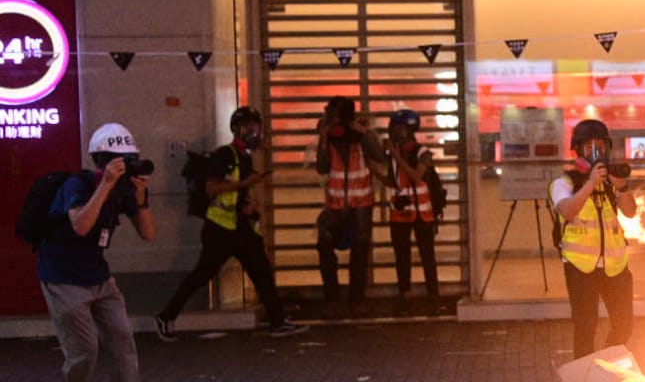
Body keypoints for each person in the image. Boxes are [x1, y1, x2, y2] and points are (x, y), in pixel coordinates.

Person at [36, 123, 172, 382]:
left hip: (99, 277)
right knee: (85, 351)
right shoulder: (77, 184)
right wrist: (105, 185)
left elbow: (149, 234)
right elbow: (82, 225)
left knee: (123, 341)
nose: (126, 166)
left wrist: (139, 197)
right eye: (119, 160)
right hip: (63, 277)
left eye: (131, 159)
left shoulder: (123, 191)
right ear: (102, 160)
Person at [155, 107, 306, 340]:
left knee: (261, 272)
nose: (256, 132)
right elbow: (212, 187)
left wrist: (249, 204)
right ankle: (166, 316)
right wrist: (245, 184)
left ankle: (277, 321)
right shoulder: (225, 155)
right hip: (221, 229)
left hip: (239, 227)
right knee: (202, 274)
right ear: (238, 129)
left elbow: (238, 193)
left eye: (257, 127)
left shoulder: (244, 157)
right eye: (252, 127)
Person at [551, 119, 636, 358]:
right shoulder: (564, 182)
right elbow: (567, 209)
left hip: (615, 266)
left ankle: (606, 371)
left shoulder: (610, 182)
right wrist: (590, 183)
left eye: (600, 146)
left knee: (624, 325)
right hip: (581, 268)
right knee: (585, 327)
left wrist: (621, 187)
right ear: (578, 150)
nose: (596, 152)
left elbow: (630, 211)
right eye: (589, 147)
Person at [309, 95, 388, 313]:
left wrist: (363, 132)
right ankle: (332, 296)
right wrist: (324, 138)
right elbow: (322, 167)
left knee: (360, 251)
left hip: (361, 203)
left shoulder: (361, 137)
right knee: (324, 244)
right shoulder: (329, 139)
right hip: (335, 205)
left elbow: (380, 156)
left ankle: (357, 298)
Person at [384, 108, 440, 312]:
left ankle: (433, 295)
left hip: (422, 213)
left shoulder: (421, 152)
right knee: (402, 256)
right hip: (400, 213)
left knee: (427, 255)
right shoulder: (392, 155)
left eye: (398, 128)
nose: (395, 132)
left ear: (409, 130)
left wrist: (395, 156)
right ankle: (405, 294)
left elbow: (417, 176)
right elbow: (391, 180)